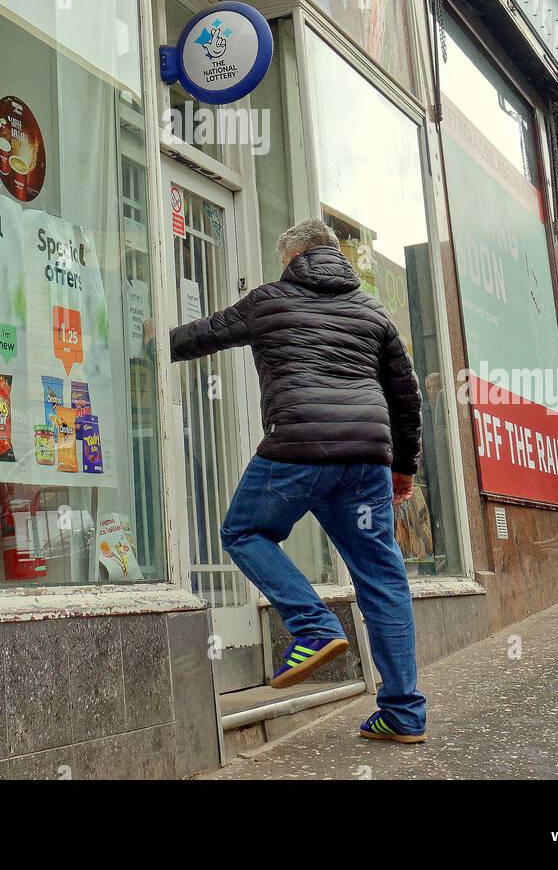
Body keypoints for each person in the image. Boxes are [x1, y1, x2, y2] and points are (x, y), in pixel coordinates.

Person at [168, 218, 427, 744]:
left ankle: (313, 625)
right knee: (382, 577)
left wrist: (151, 342)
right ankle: (403, 714)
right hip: (366, 460)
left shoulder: (270, 299)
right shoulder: (372, 310)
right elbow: (406, 397)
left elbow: (204, 335)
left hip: (300, 450)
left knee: (244, 532)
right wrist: (403, 468)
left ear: (290, 259)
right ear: (335, 255)